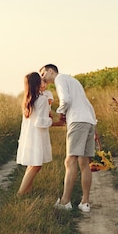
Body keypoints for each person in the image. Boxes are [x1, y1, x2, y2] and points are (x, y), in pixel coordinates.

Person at [40, 64, 97, 212]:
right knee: (84, 162)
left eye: (42, 73)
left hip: (78, 121)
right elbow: (87, 104)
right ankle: (85, 203)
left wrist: (61, 112)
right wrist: (93, 124)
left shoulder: (60, 79)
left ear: (50, 71)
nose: (42, 77)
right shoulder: (74, 81)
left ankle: (65, 202)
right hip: (88, 121)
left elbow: (66, 100)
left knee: (70, 160)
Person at [16, 72, 54, 195]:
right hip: (37, 136)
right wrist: (50, 120)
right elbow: (40, 122)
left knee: (33, 164)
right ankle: (21, 193)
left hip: (29, 135)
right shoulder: (42, 99)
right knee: (36, 165)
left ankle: (27, 192)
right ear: (37, 83)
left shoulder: (28, 100)